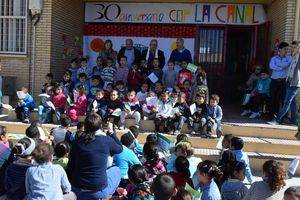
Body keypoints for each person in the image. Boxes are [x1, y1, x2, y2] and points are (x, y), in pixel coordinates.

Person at [67, 113, 123, 199]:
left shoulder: (77, 142)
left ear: (85, 126)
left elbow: (70, 167)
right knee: (117, 170)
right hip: (97, 191)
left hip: (77, 189)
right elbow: (120, 149)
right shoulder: (106, 140)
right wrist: (111, 133)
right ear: (100, 126)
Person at [270, 41, 300, 125]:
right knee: (292, 102)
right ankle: (293, 121)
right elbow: (273, 66)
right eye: (292, 47)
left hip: (295, 82)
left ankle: (277, 120)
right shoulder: (293, 57)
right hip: (288, 81)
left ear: (299, 48)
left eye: (294, 47)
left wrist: (279, 67)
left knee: (287, 102)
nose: (291, 49)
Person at [269, 42, 292, 119]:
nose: (287, 50)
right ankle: (271, 115)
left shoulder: (289, 58)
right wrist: (282, 67)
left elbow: (288, 64)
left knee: (284, 99)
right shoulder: (274, 58)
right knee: (273, 98)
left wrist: (278, 66)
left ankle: (283, 117)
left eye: (287, 49)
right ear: (280, 49)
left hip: (283, 81)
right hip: (274, 81)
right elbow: (272, 66)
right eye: (285, 49)